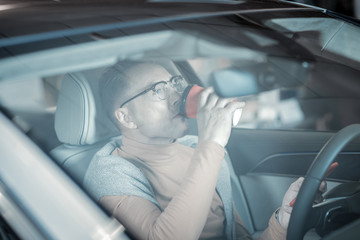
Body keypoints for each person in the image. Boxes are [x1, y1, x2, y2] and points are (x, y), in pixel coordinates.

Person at [83, 61, 324, 240]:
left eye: (174, 84)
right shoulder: (110, 176)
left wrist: (283, 220)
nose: (177, 96)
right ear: (127, 117)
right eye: (158, 90)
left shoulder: (194, 151)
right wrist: (211, 144)